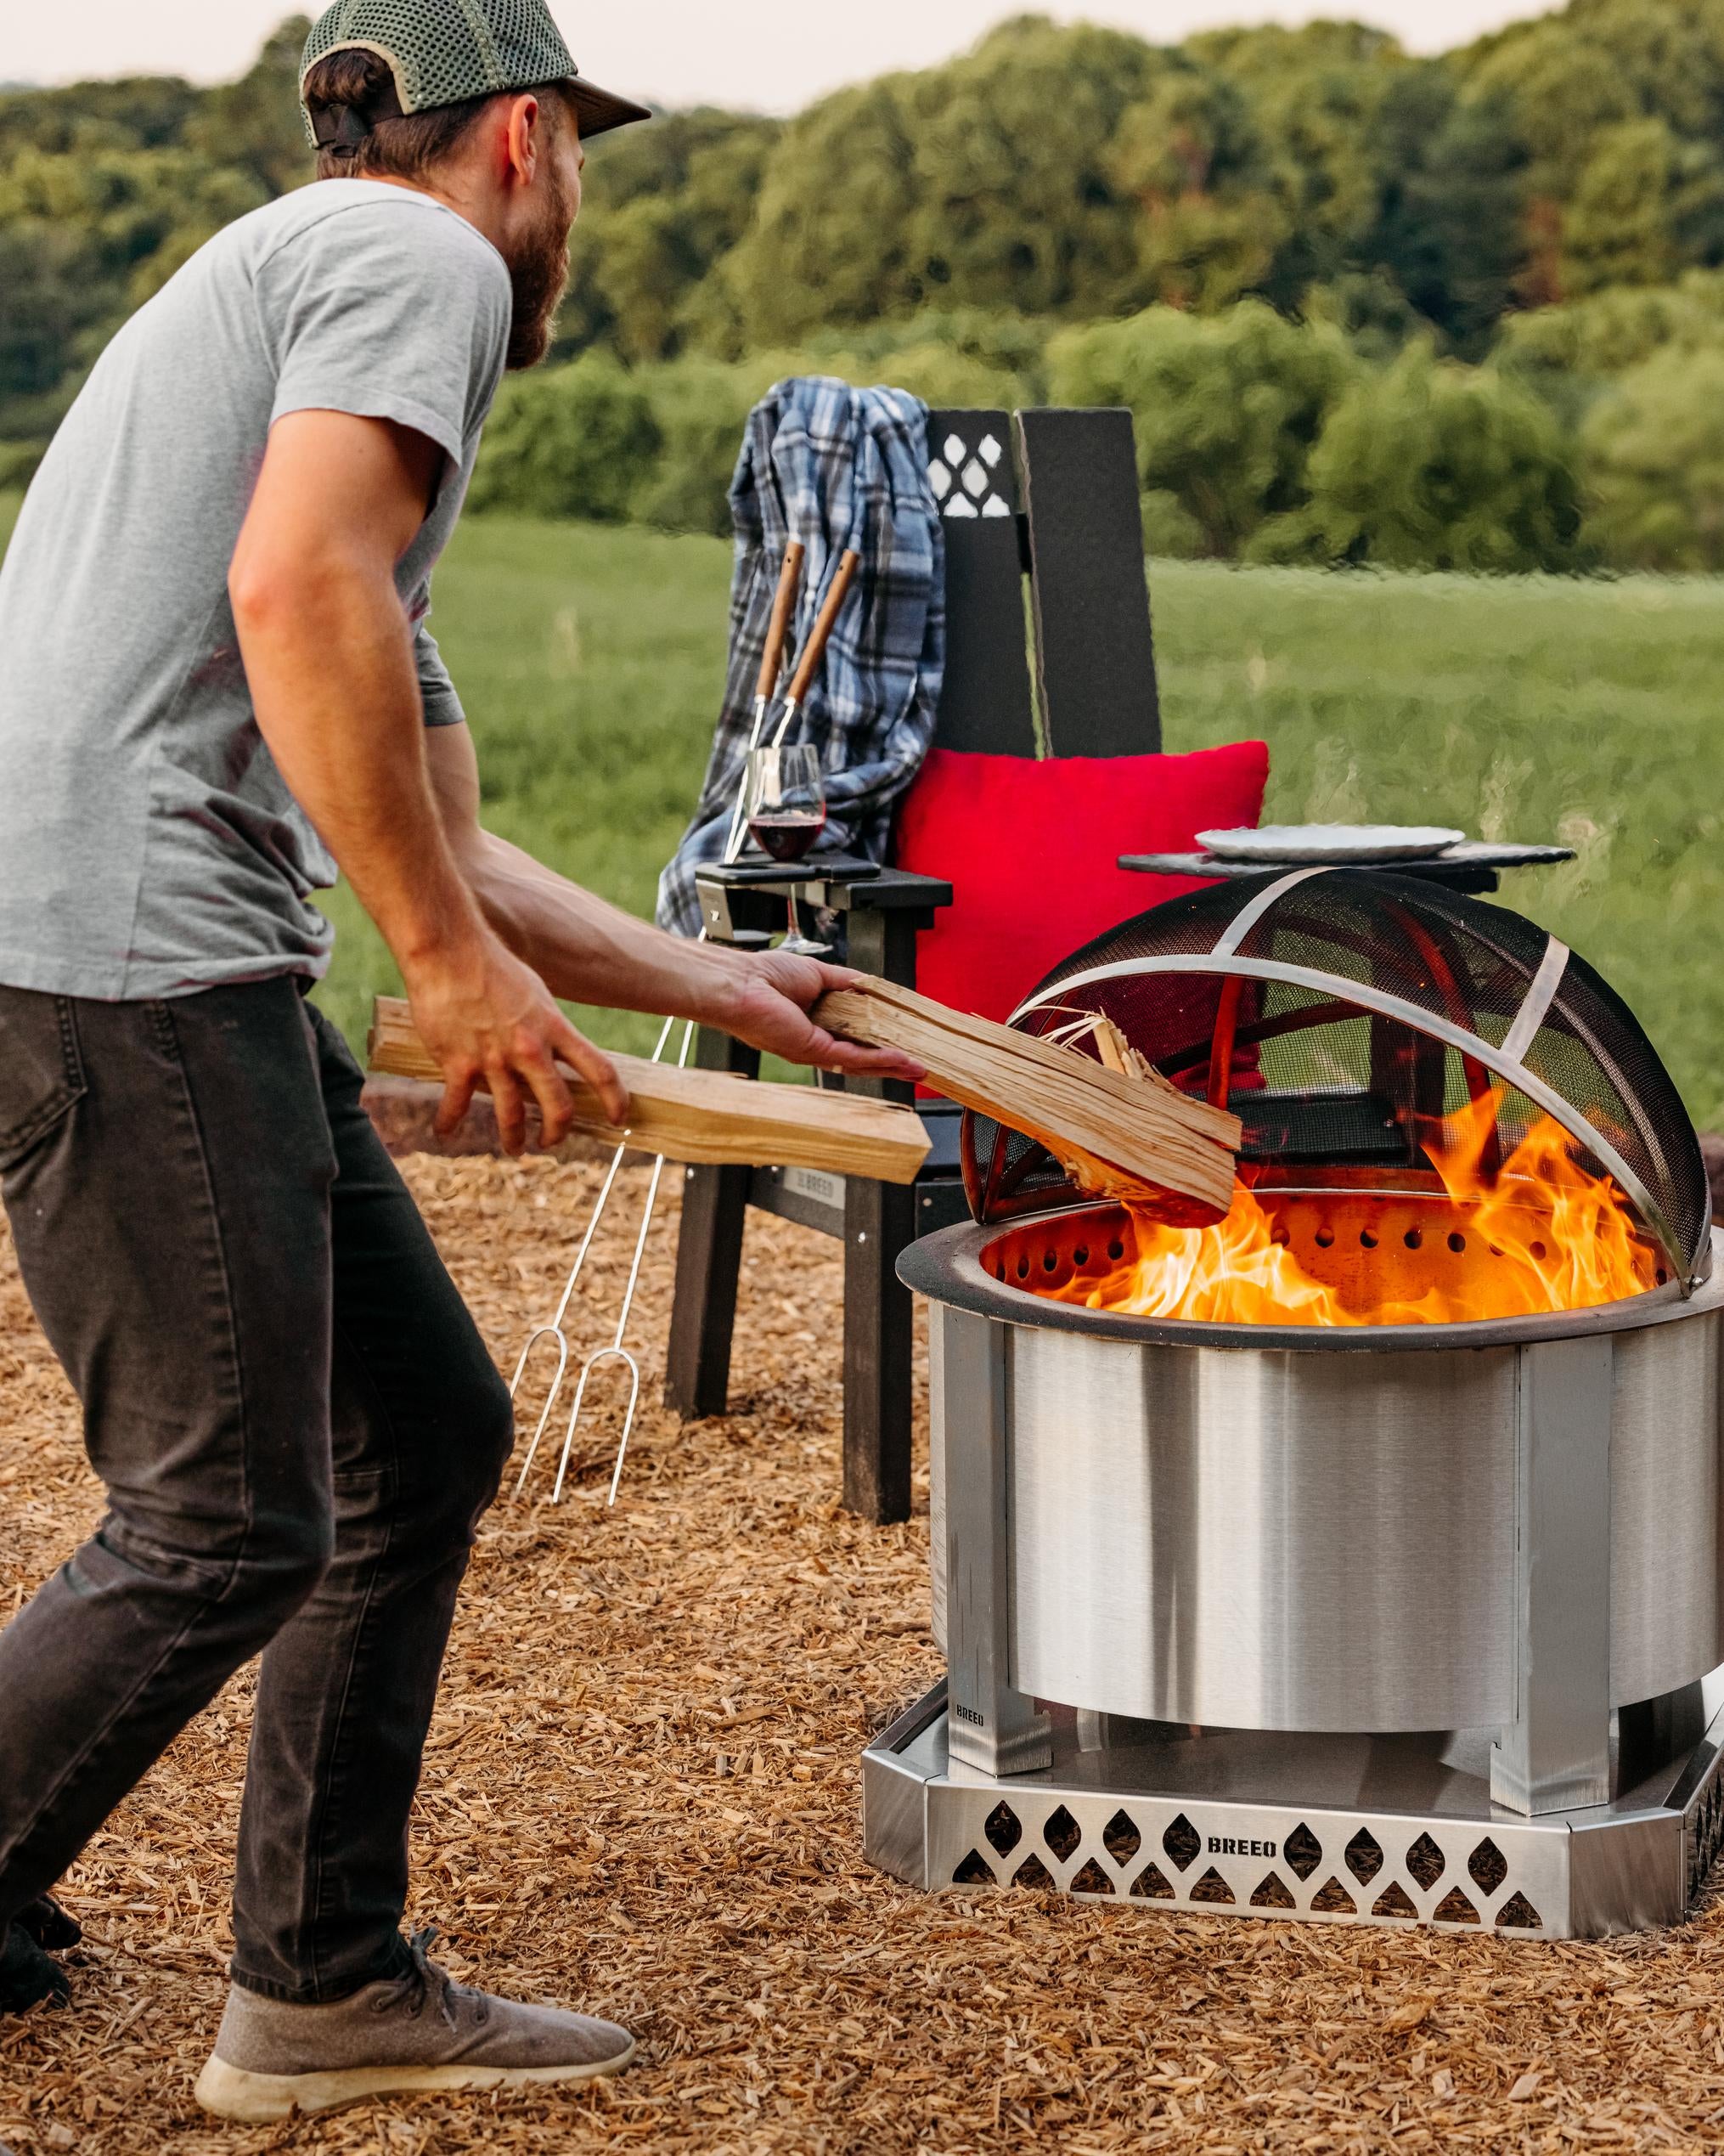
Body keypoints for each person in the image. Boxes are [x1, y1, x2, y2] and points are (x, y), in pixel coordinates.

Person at [0, 0, 918, 2122]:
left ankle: (318, 1982)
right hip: (129, 965)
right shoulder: (415, 270)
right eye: (576, 151)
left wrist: (717, 989)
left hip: (139, 954)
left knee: (414, 1440)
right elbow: (291, 592)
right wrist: (436, 970)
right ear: (522, 135)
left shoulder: (289, 302)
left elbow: (442, 817)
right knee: (220, 1516)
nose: (573, 194)